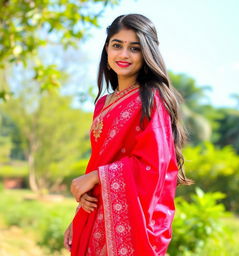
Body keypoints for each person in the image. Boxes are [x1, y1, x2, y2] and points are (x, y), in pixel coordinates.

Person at [64, 13, 192, 256]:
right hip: (95, 215)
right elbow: (101, 160)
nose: (123, 55)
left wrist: (95, 177)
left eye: (134, 48)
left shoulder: (151, 98)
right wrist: (80, 216)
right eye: (117, 45)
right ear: (106, 49)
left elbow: (154, 164)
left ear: (147, 53)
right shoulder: (103, 104)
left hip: (132, 222)